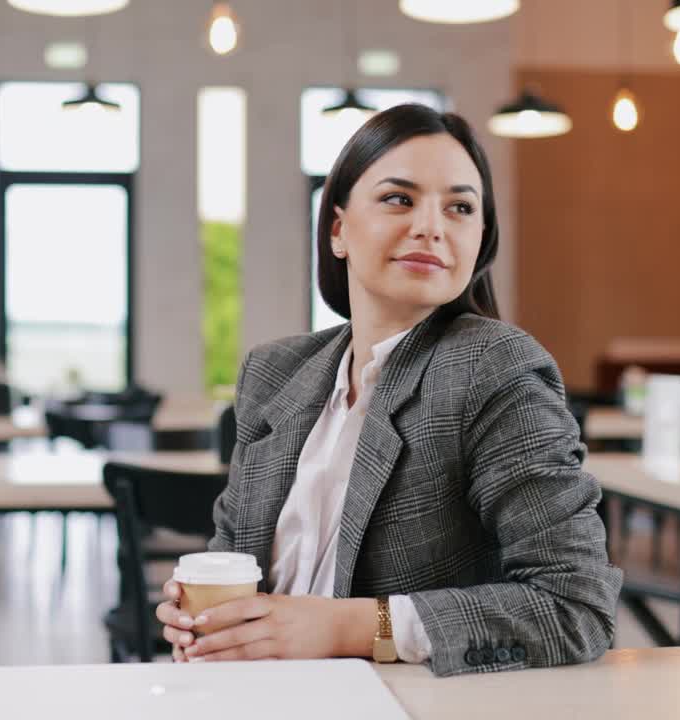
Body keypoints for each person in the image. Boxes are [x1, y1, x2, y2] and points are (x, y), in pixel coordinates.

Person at [156, 103, 622, 677]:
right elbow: (234, 554)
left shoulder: (493, 367)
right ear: (338, 229)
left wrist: (348, 626)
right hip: (256, 695)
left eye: (459, 207)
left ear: (480, 238)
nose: (431, 226)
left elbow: (575, 606)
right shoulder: (274, 372)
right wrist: (202, 614)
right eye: (399, 199)